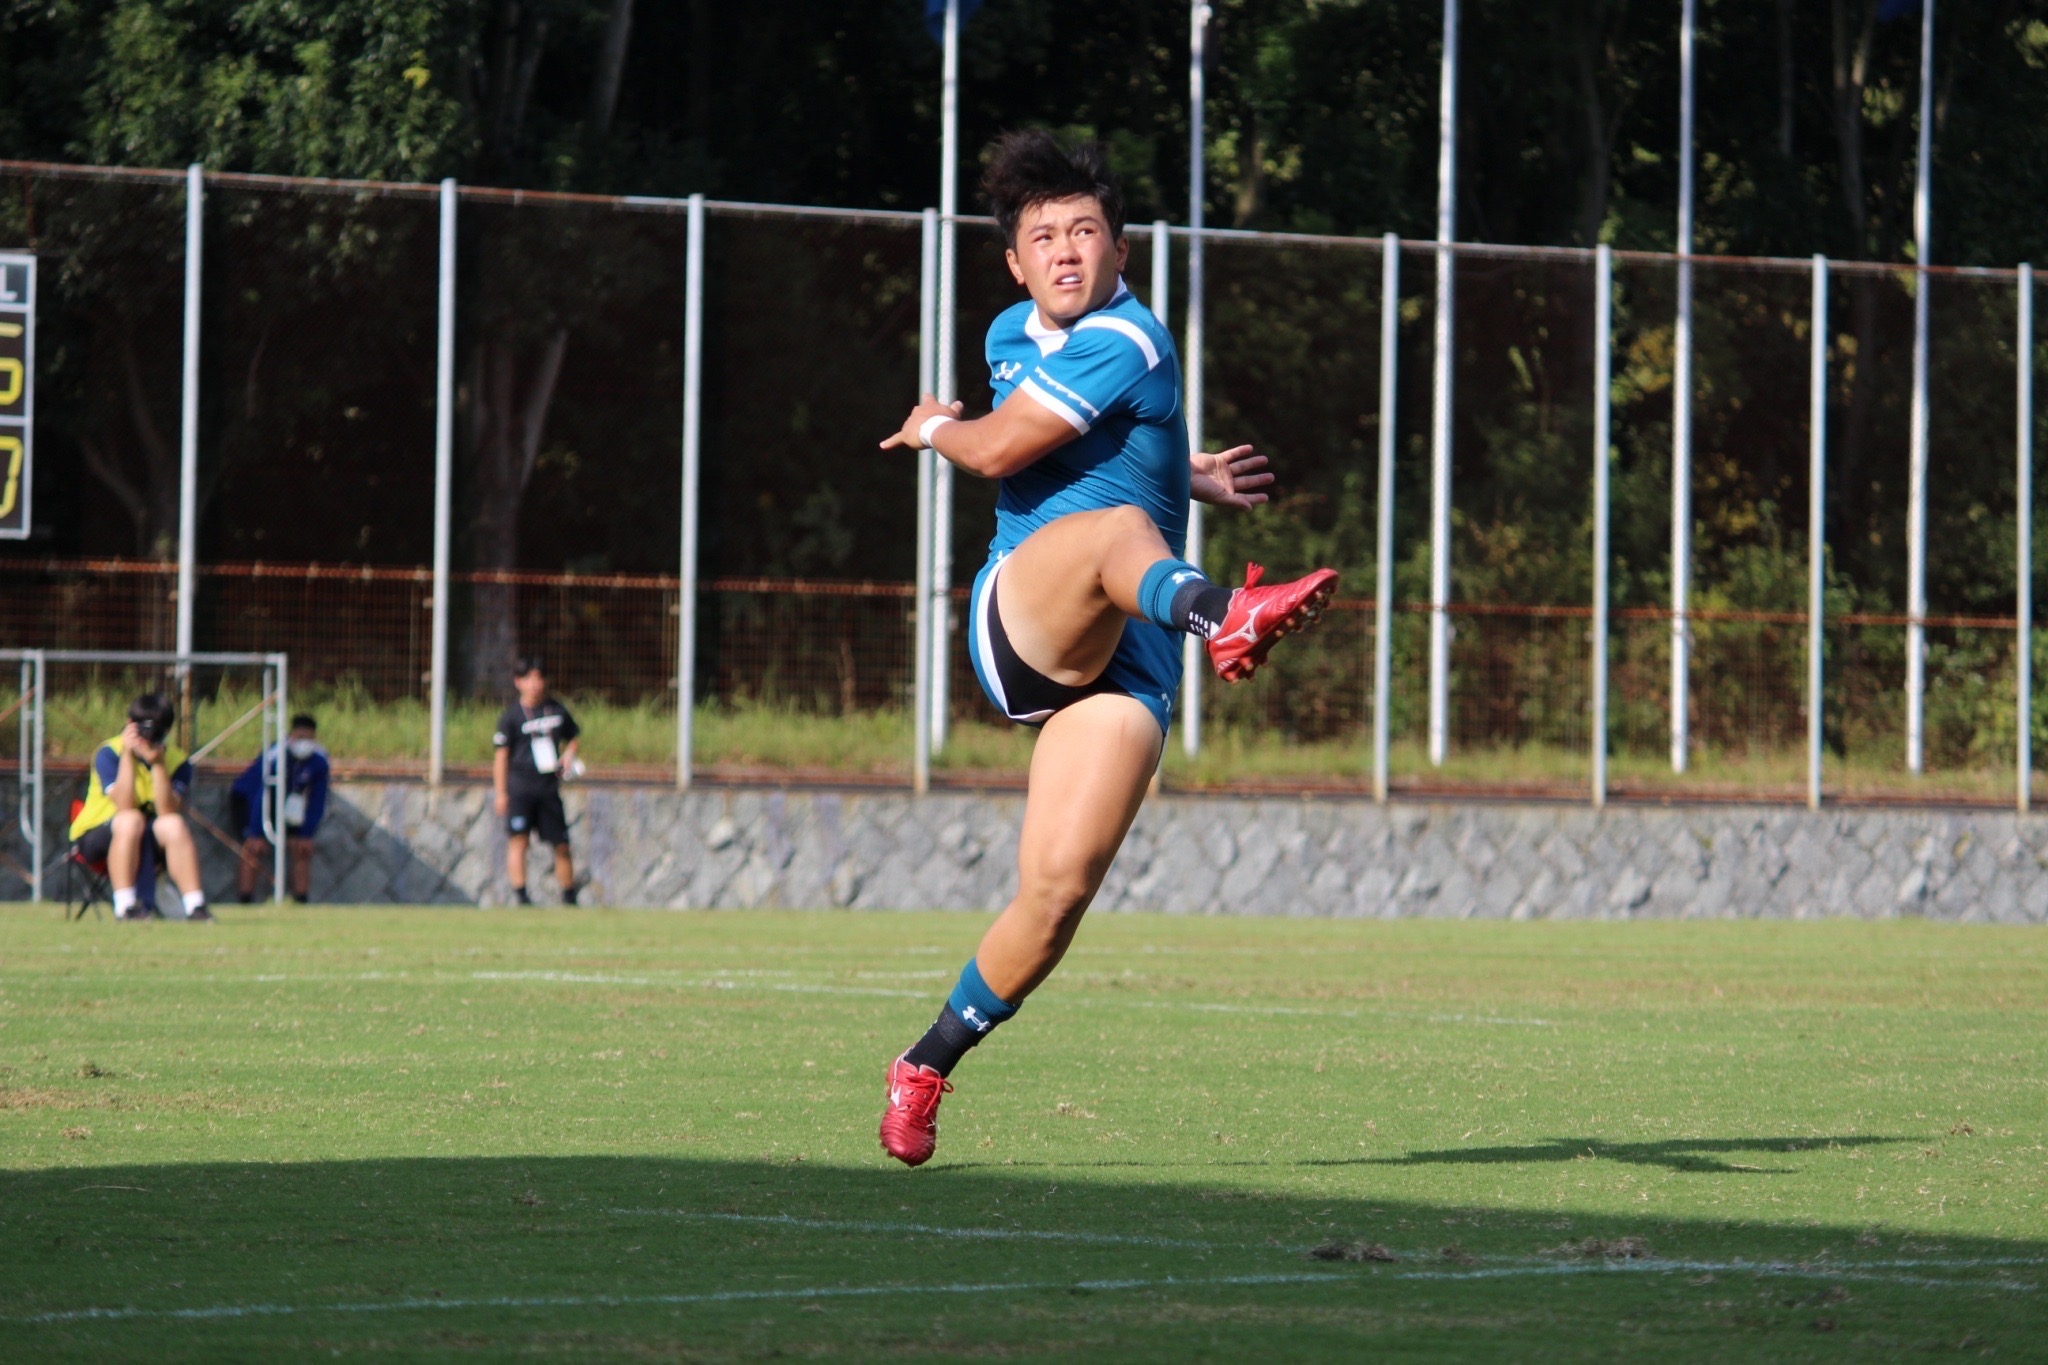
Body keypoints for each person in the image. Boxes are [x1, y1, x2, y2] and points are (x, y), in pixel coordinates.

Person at [873, 131, 1337, 1166]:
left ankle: (925, 1063)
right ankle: (1224, 611)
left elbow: (1009, 439)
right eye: (1044, 238)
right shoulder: (1011, 333)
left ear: (1121, 251)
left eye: (1085, 232)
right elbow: (1020, 447)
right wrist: (1176, 471)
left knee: (1056, 896)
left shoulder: (1126, 335)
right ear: (1014, 263)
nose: (1066, 251)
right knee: (1114, 530)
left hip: (1127, 662)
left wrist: (934, 427)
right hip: (1024, 620)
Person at [68, 693, 213, 922]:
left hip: (146, 836)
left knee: (174, 824)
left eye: (158, 731)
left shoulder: (177, 760)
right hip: (98, 835)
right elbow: (124, 804)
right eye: (144, 729)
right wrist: (128, 755)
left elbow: (167, 810)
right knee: (130, 819)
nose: (149, 737)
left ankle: (195, 906)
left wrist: (157, 764)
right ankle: (126, 906)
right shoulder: (109, 753)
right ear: (129, 725)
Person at [493, 657, 583, 906]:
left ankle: (569, 896)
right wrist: (501, 792)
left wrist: (569, 755)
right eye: (529, 678)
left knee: (561, 844)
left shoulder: (556, 710)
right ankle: (521, 896)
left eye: (539, 678)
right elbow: (501, 757)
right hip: (520, 789)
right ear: (518, 682)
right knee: (518, 840)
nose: (535, 684)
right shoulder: (511, 716)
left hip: (548, 789)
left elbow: (573, 736)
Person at [231, 713, 331, 904]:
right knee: (252, 848)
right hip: (249, 801)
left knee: (301, 848)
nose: (304, 743)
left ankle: (300, 900)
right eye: (300, 737)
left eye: (309, 738)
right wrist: (256, 831)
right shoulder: (276, 755)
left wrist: (306, 833)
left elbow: (317, 800)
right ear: (291, 735)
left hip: (286, 806)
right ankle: (245, 900)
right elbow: (260, 793)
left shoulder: (319, 761)